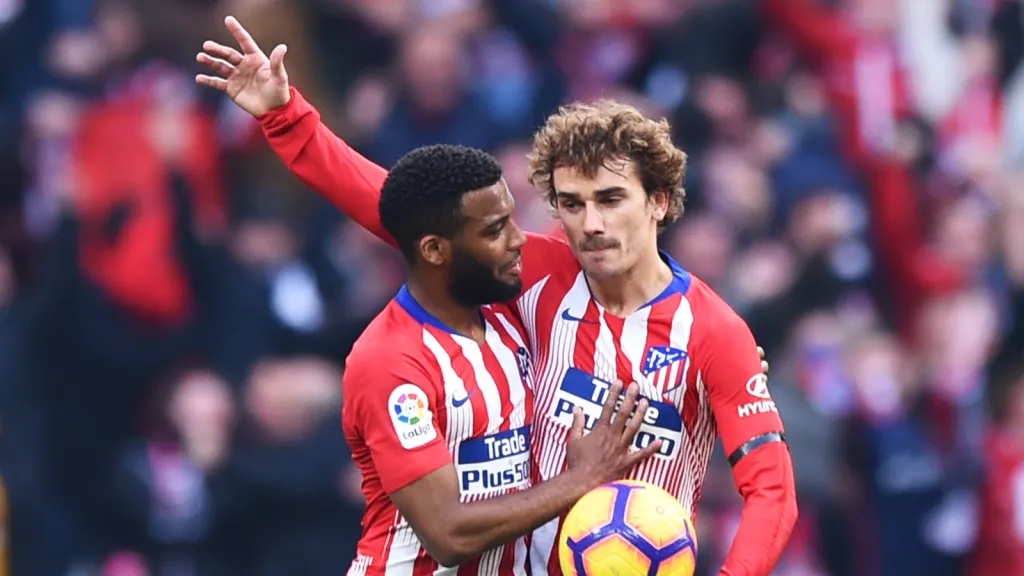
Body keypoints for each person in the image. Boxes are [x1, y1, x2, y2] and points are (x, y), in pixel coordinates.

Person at [196, 16, 796, 576]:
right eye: (570, 203)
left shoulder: (715, 333)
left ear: (659, 203)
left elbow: (772, 494)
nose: (589, 223)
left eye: (610, 200)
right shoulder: (538, 274)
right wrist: (286, 116)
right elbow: (398, 209)